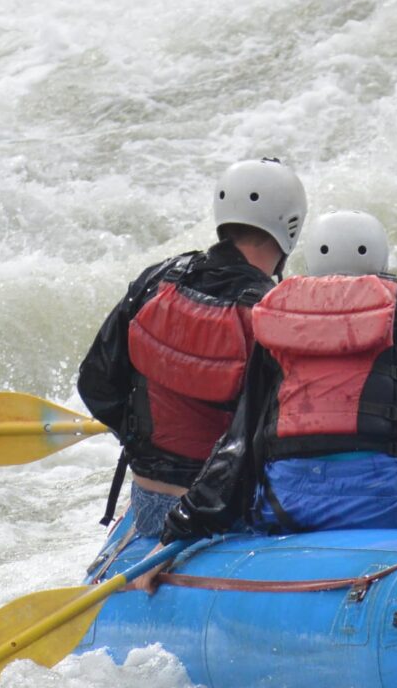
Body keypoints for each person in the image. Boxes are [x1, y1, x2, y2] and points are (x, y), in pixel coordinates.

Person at [161, 212, 397, 539]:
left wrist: (181, 525)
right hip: (381, 503)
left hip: (283, 504)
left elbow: (240, 438)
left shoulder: (278, 315)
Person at [79, 159, 304, 571]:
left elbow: (96, 385)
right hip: (215, 517)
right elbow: (269, 439)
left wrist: (144, 441)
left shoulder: (156, 280)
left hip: (148, 503)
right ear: (290, 226)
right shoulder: (271, 316)